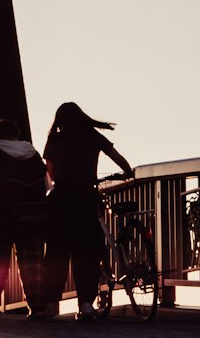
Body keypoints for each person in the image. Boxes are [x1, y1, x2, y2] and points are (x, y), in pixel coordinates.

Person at [42, 102, 133, 323]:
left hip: (61, 200)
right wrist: (127, 172)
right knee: (87, 252)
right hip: (86, 198)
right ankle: (86, 305)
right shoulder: (93, 137)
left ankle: (50, 304)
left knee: (57, 253)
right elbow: (119, 158)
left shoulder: (55, 140)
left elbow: (51, 174)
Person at [0, 118, 48, 318]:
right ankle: (38, 305)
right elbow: (46, 185)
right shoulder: (33, 155)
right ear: (17, 133)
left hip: (2, 216)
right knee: (32, 260)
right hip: (32, 215)